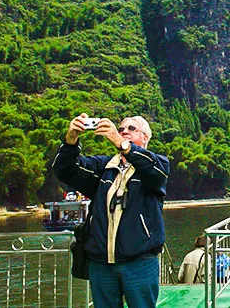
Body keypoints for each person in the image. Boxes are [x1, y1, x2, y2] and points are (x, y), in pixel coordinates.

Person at [53, 114, 170, 308]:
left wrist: (121, 143)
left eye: (131, 129)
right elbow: (65, 170)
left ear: (145, 138)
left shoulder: (158, 165)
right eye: (121, 129)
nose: (124, 132)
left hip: (139, 262)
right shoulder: (103, 168)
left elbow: (155, 172)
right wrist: (71, 140)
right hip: (101, 264)